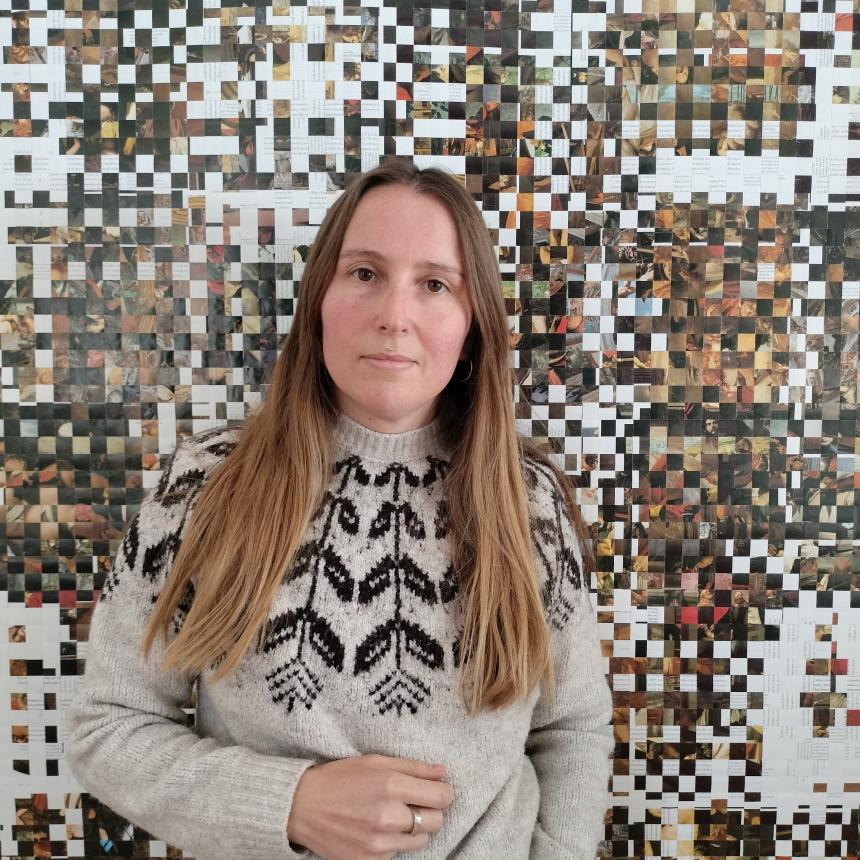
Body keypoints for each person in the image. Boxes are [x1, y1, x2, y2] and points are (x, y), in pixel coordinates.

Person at [64, 159, 614, 860]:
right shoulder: (205, 486)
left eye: (435, 284)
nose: (394, 317)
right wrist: (287, 804)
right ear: (319, 296)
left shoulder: (529, 501)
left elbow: (571, 730)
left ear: (472, 324)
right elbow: (109, 727)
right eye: (364, 273)